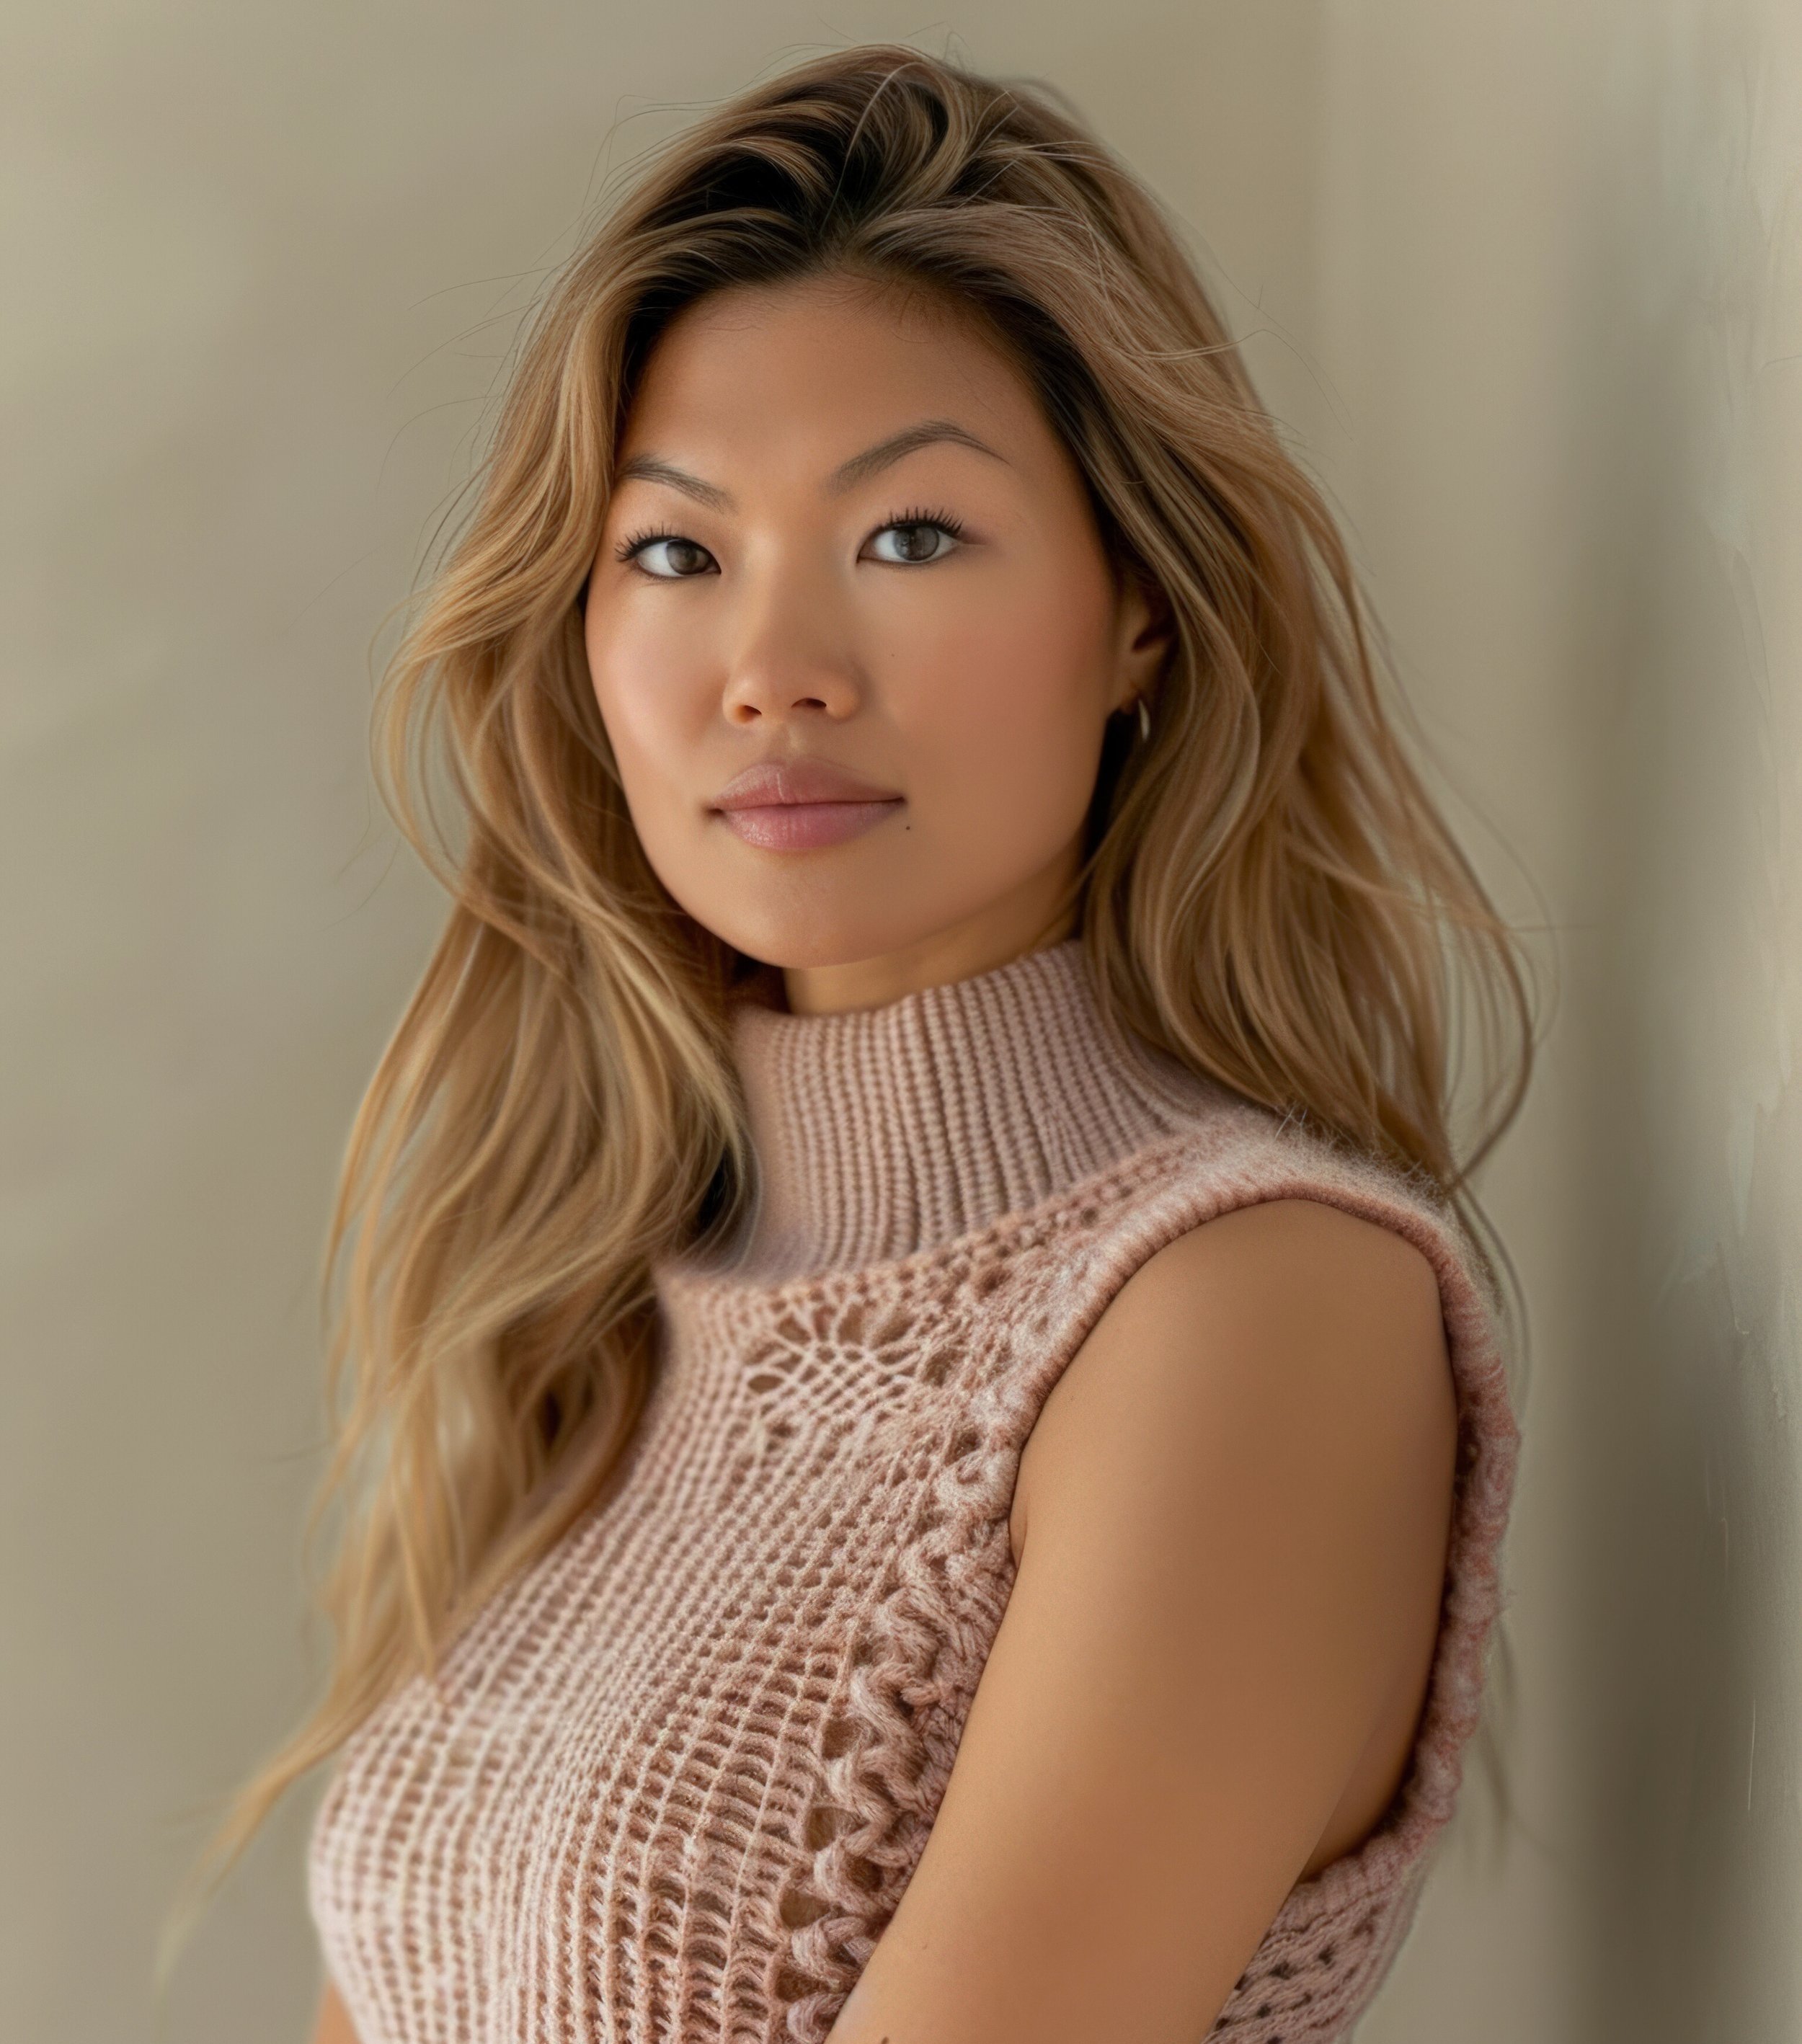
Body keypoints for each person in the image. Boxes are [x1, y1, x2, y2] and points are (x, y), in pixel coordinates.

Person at [214, 43, 1532, 2044]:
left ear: (1139, 611)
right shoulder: (614, 1320)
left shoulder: (1254, 1306)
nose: (776, 673)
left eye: (910, 537)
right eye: (676, 553)